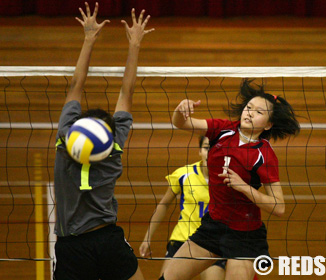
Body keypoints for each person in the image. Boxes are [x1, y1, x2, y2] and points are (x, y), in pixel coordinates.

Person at [160, 79, 300, 280]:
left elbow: (279, 206)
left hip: (245, 235)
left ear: (269, 124)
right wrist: (180, 110)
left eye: (259, 112)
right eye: (248, 107)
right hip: (213, 227)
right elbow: (181, 123)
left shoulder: (265, 155)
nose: (250, 113)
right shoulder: (222, 129)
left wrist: (243, 187)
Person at [53, 2, 154, 279]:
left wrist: (88, 39)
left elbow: (76, 84)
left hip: (72, 244)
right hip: (108, 239)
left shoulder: (65, 140)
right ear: (109, 135)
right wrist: (134, 44)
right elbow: (127, 91)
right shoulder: (115, 146)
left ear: (78, 127)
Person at [139, 136, 225, 280]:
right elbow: (164, 204)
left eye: (215, 149)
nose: (210, 153)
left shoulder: (229, 178)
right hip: (182, 239)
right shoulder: (184, 174)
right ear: (199, 151)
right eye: (206, 148)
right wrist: (147, 238)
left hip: (212, 241)